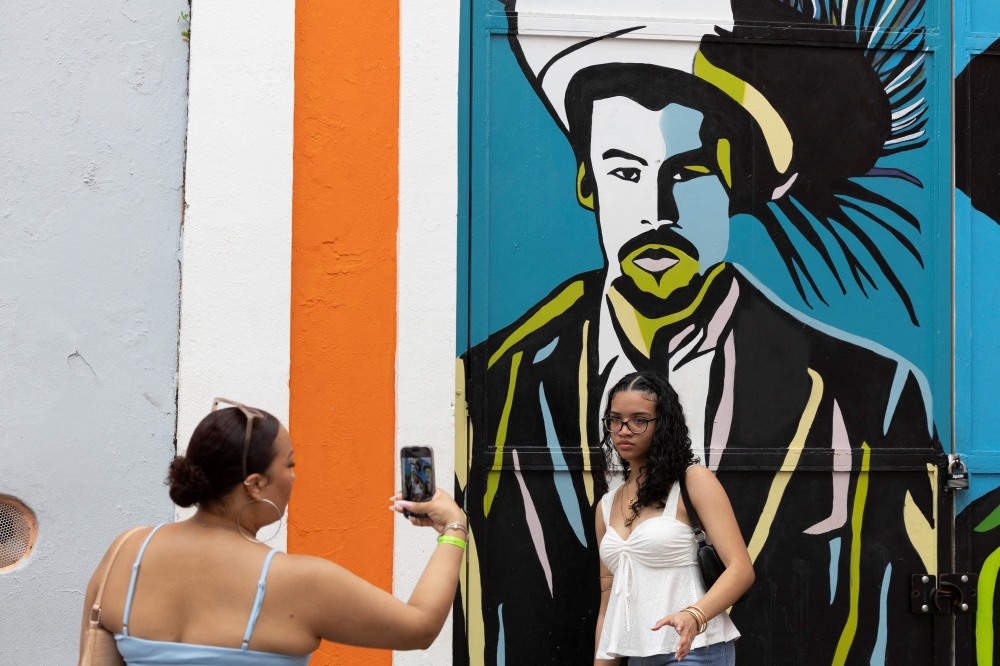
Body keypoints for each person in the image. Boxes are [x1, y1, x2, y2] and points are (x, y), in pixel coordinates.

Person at [457, 0, 943, 663]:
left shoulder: (872, 395)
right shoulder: (493, 381)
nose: (656, 211)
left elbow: (889, 627)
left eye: (688, 173)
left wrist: (693, 616)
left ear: (740, 185)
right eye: (625, 171)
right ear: (586, 181)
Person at [79, 399, 467, 664]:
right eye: (290, 464)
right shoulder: (300, 581)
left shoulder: (127, 551)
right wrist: (453, 526)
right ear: (255, 484)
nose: (295, 476)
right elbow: (419, 627)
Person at [594, 372, 752, 666]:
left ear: (663, 424)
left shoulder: (693, 482)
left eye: (639, 420)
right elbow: (608, 602)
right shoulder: (606, 505)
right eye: (615, 420)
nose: (623, 430)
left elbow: (741, 569)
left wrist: (695, 615)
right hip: (637, 655)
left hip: (694, 651)